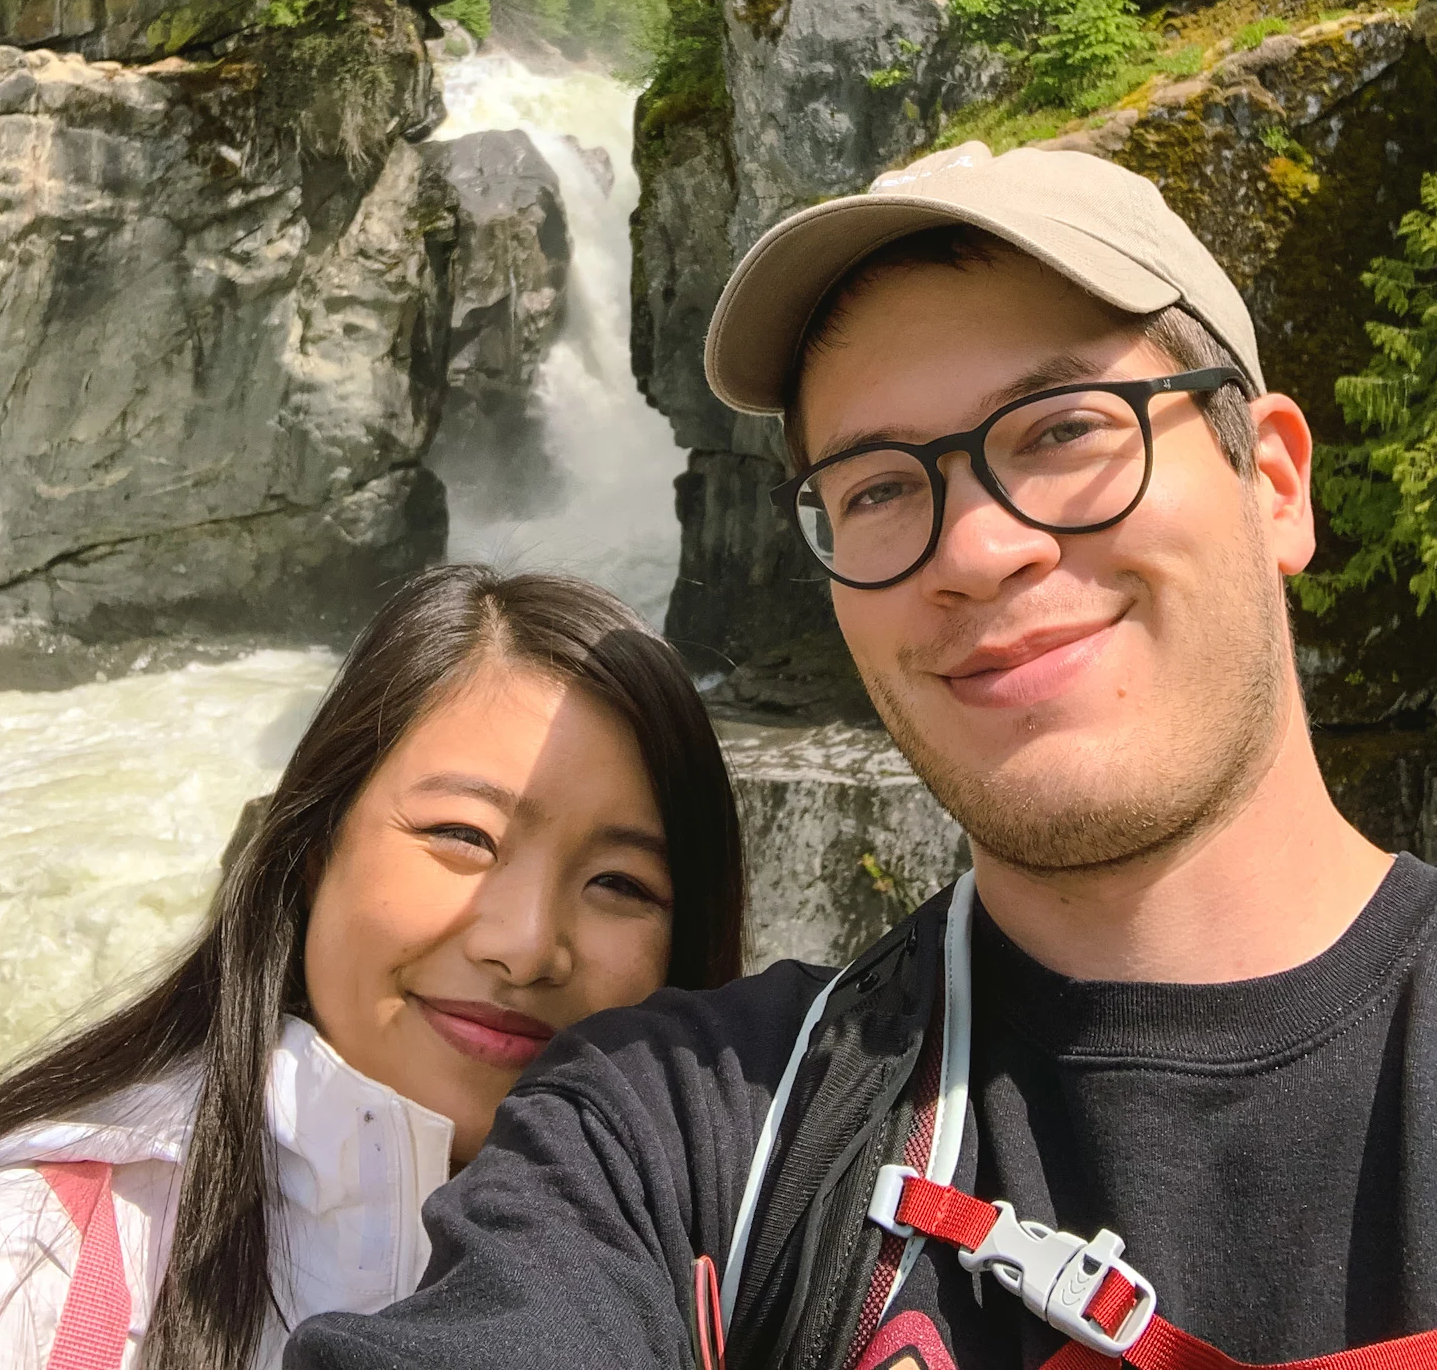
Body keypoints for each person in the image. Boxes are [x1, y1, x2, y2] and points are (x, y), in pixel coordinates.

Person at [284, 139, 1437, 1370]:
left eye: (1063, 428)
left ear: (1273, 482)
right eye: (881, 486)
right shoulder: (682, 1127)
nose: (978, 548)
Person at [0, 564, 744, 1370]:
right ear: (313, 849)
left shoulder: (761, 1275)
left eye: (621, 883)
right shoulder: (8, 1278)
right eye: (462, 836)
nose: (524, 946)